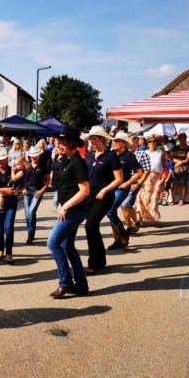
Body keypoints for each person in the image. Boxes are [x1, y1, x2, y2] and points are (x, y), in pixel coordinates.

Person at [47, 127, 90, 298]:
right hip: (68, 209)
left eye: (63, 143)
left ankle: (65, 283)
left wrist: (66, 206)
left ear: (72, 144)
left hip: (75, 211)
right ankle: (81, 285)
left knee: (53, 243)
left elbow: (85, 190)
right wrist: (61, 204)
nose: (60, 145)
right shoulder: (65, 160)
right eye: (59, 142)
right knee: (67, 246)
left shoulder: (78, 163)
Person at [83, 128, 123, 273]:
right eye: (90, 138)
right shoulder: (90, 156)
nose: (91, 141)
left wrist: (105, 189)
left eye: (94, 138)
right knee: (92, 228)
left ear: (101, 139)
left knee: (90, 225)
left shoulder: (111, 156)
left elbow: (119, 179)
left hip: (105, 197)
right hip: (90, 196)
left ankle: (93, 263)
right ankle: (100, 260)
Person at [0, 147, 23, 263]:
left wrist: (16, 191)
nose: (0, 162)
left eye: (3, 159)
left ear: (7, 158)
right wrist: (4, 190)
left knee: (8, 228)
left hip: (11, 203)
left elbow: (20, 186)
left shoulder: (13, 170)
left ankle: (9, 252)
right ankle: (0, 249)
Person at [115, 134, 145, 235]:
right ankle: (134, 223)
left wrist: (131, 183)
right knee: (126, 206)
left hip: (128, 186)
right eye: (114, 141)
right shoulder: (112, 155)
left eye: (117, 141)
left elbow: (140, 172)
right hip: (114, 186)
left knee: (124, 206)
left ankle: (127, 227)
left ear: (124, 143)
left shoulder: (129, 156)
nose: (114, 143)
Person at [22, 145, 50, 245]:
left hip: (37, 192)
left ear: (39, 155)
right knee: (28, 215)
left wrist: (42, 190)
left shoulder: (43, 166)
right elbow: (22, 179)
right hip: (27, 192)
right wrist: (23, 188)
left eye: (36, 155)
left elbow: (48, 180)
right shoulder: (27, 165)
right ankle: (31, 234)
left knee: (31, 212)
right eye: (33, 155)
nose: (34, 157)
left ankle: (30, 236)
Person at [137, 134, 165, 225]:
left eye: (154, 141)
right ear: (147, 142)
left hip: (157, 178)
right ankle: (140, 219)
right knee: (142, 198)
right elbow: (138, 167)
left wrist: (163, 179)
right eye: (150, 141)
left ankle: (152, 217)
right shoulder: (143, 153)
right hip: (145, 177)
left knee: (154, 199)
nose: (152, 143)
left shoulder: (161, 153)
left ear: (157, 142)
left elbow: (165, 168)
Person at [171, 133, 189, 206]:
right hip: (176, 168)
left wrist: (180, 162)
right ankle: (172, 200)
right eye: (181, 138)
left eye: (183, 138)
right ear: (179, 139)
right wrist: (179, 162)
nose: (182, 140)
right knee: (174, 184)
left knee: (183, 185)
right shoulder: (175, 148)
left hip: (185, 168)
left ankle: (182, 200)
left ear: (185, 139)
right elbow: (171, 157)